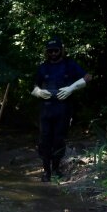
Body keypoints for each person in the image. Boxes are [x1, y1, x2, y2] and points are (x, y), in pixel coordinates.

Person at [31, 37, 90, 181]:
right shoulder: (43, 67)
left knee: (59, 138)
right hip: (46, 109)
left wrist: (72, 88)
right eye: (50, 51)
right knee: (44, 139)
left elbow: (88, 77)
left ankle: (56, 169)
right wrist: (38, 91)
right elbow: (33, 87)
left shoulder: (69, 65)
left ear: (61, 50)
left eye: (55, 51)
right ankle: (46, 171)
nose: (53, 54)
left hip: (63, 109)